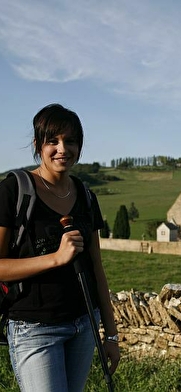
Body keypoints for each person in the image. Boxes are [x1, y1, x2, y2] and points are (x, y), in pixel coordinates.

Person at [0, 104, 120, 391]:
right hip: (35, 328)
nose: (62, 148)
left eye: (71, 141)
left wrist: (111, 336)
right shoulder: (13, 191)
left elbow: (96, 268)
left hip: (83, 325)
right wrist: (55, 258)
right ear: (37, 145)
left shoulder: (86, 197)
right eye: (52, 141)